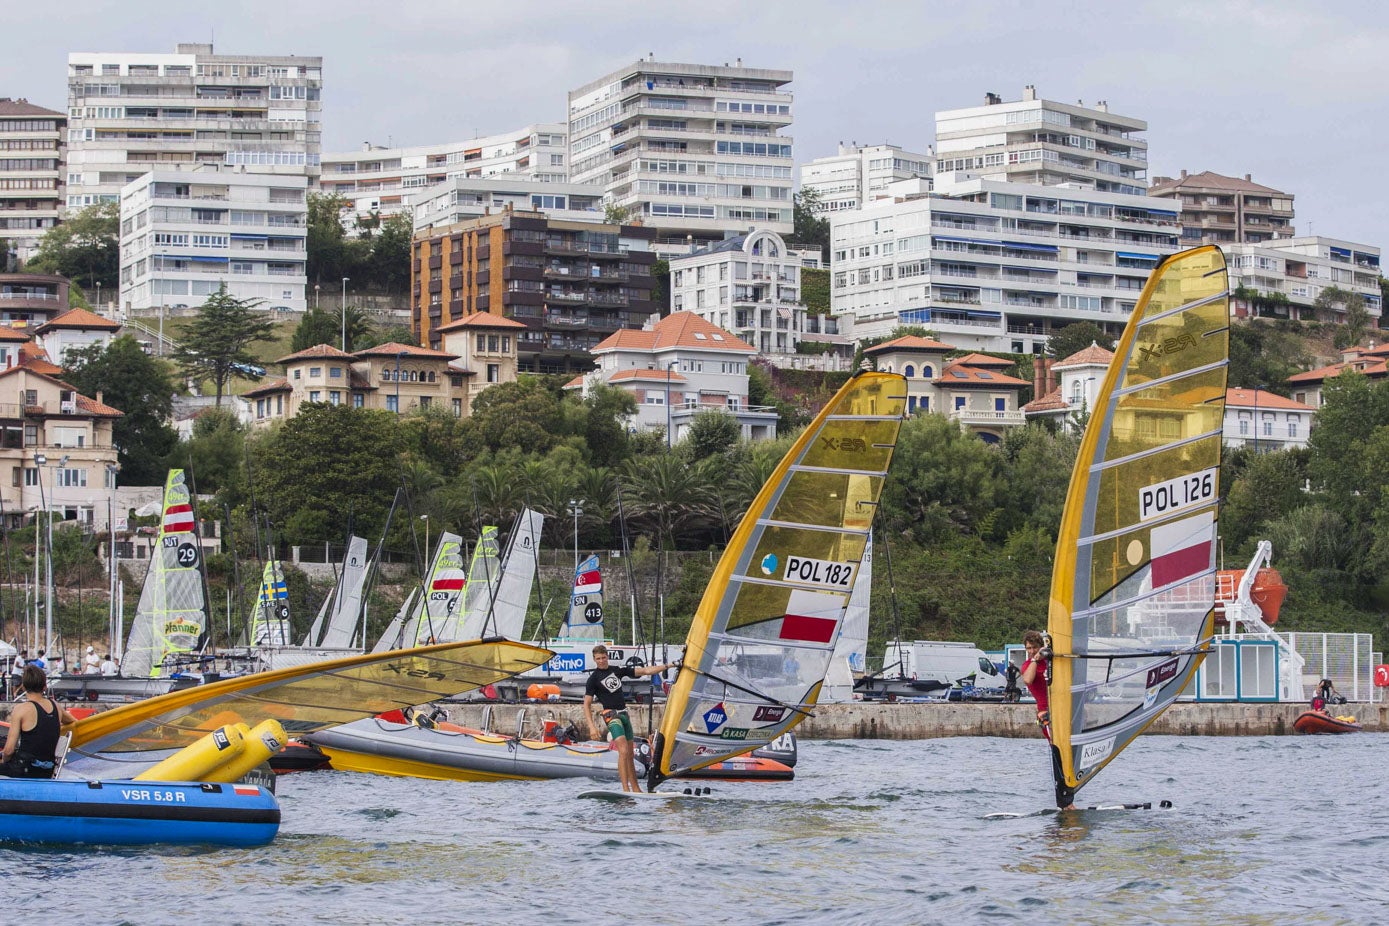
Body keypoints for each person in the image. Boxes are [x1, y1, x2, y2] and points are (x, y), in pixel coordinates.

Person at [583, 645, 676, 793]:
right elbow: (586, 704)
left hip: (624, 714)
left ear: (607, 656)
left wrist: (669, 665)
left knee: (631, 754)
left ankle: (636, 789)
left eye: (603, 657)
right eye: (598, 659)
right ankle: (625, 789)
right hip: (611, 715)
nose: (601, 661)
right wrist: (592, 727)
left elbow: (645, 671)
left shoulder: (617, 670)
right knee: (624, 752)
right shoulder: (593, 679)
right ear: (594, 660)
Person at [1, 665, 77, 778]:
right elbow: (73, 722)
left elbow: (8, 751)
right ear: (44, 686)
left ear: (24, 687)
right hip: (46, 771)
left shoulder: (21, 709)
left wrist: (4, 760)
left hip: (23, 770)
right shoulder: (56, 706)